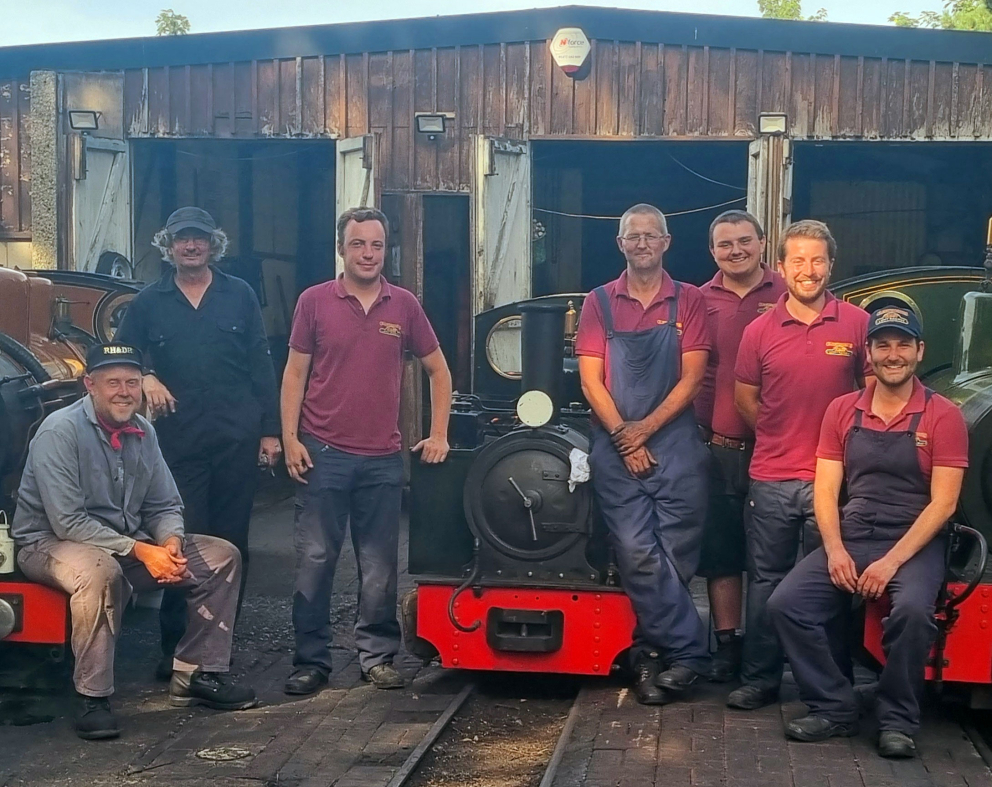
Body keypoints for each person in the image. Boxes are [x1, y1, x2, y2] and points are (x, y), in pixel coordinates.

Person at [11, 344, 257, 741]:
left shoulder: (145, 431)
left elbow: (164, 503)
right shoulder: (59, 431)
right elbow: (68, 521)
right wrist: (143, 551)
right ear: (89, 385)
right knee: (99, 570)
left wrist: (171, 542)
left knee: (222, 556)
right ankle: (92, 696)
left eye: (132, 382)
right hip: (50, 543)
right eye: (113, 383)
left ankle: (196, 674)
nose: (124, 391)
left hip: (124, 543)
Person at [768, 307, 967, 758]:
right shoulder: (843, 410)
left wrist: (892, 561)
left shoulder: (943, 416)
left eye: (902, 344)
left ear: (920, 351)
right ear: (869, 353)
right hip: (854, 532)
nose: (892, 354)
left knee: (914, 613)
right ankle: (834, 708)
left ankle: (897, 719)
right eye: (883, 345)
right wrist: (835, 550)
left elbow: (944, 504)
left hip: (914, 540)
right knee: (786, 605)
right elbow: (825, 489)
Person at [282, 206, 452, 695]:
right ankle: (311, 661)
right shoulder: (314, 301)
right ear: (342, 248)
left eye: (376, 245)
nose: (368, 253)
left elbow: (439, 371)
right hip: (323, 453)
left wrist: (438, 433)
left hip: (382, 458)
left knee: (378, 566)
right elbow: (295, 374)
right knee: (316, 560)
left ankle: (377, 656)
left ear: (386, 250)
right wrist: (291, 437)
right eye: (358, 244)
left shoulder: (404, 306)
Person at [115, 206, 281, 681]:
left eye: (200, 239)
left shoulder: (240, 295)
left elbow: (260, 363)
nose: (191, 246)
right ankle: (174, 652)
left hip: (235, 439)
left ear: (214, 245)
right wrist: (145, 374)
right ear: (168, 245)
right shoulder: (148, 302)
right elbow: (118, 358)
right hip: (177, 446)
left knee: (233, 545)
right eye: (183, 239)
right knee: (181, 546)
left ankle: (216, 654)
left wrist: (269, 430)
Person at [729, 219, 870, 711]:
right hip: (770, 477)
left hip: (834, 483)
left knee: (832, 582)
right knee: (765, 580)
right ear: (782, 266)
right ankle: (760, 679)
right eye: (798, 261)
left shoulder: (857, 324)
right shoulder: (759, 330)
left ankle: (830, 685)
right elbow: (746, 396)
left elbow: (871, 395)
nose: (807, 270)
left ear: (831, 264)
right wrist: (773, 432)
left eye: (817, 260)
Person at [576, 203, 712, 706]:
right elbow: (591, 380)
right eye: (632, 236)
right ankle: (692, 653)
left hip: (676, 444)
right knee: (635, 551)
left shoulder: (690, 301)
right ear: (620, 244)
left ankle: (650, 655)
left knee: (675, 556)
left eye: (650, 235)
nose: (642, 244)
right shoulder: (598, 302)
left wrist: (645, 431)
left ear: (666, 242)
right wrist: (622, 437)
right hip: (615, 445)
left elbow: (693, 377)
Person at [695, 210, 786, 682]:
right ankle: (728, 644)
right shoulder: (697, 300)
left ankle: (770, 647)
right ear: (713, 252)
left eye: (744, 242)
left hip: (780, 452)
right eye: (725, 245)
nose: (736, 251)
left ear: (762, 242)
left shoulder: (789, 294)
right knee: (722, 550)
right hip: (718, 445)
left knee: (773, 556)